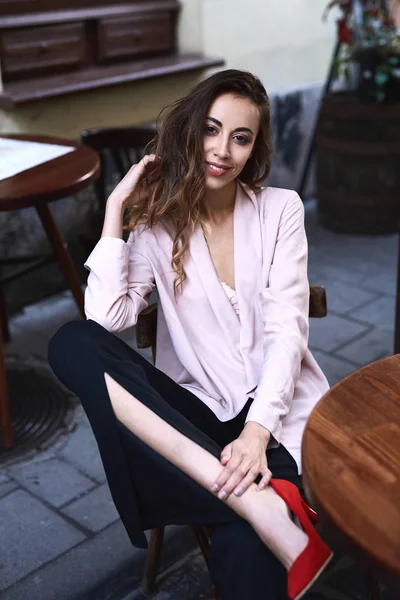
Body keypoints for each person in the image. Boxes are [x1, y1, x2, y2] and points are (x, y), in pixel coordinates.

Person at [48, 69, 332, 600]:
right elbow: (104, 320)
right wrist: (117, 214)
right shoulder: (159, 228)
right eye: (210, 129)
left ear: (254, 148)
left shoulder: (281, 211)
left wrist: (255, 432)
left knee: (245, 546)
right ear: (189, 132)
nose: (222, 150)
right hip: (198, 420)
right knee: (71, 342)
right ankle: (257, 503)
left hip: (276, 414)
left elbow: (286, 331)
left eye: (240, 137)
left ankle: (256, 510)